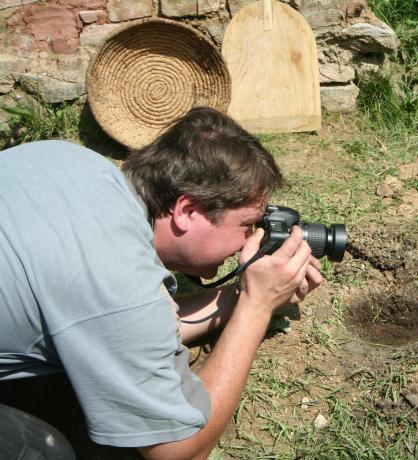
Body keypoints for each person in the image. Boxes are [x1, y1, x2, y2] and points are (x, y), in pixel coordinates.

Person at [0, 107, 323, 459]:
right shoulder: (115, 279)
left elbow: (133, 323)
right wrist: (256, 308)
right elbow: (179, 451)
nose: (249, 240)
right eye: (246, 225)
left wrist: (243, 294)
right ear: (187, 211)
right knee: (46, 452)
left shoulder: (71, 159)